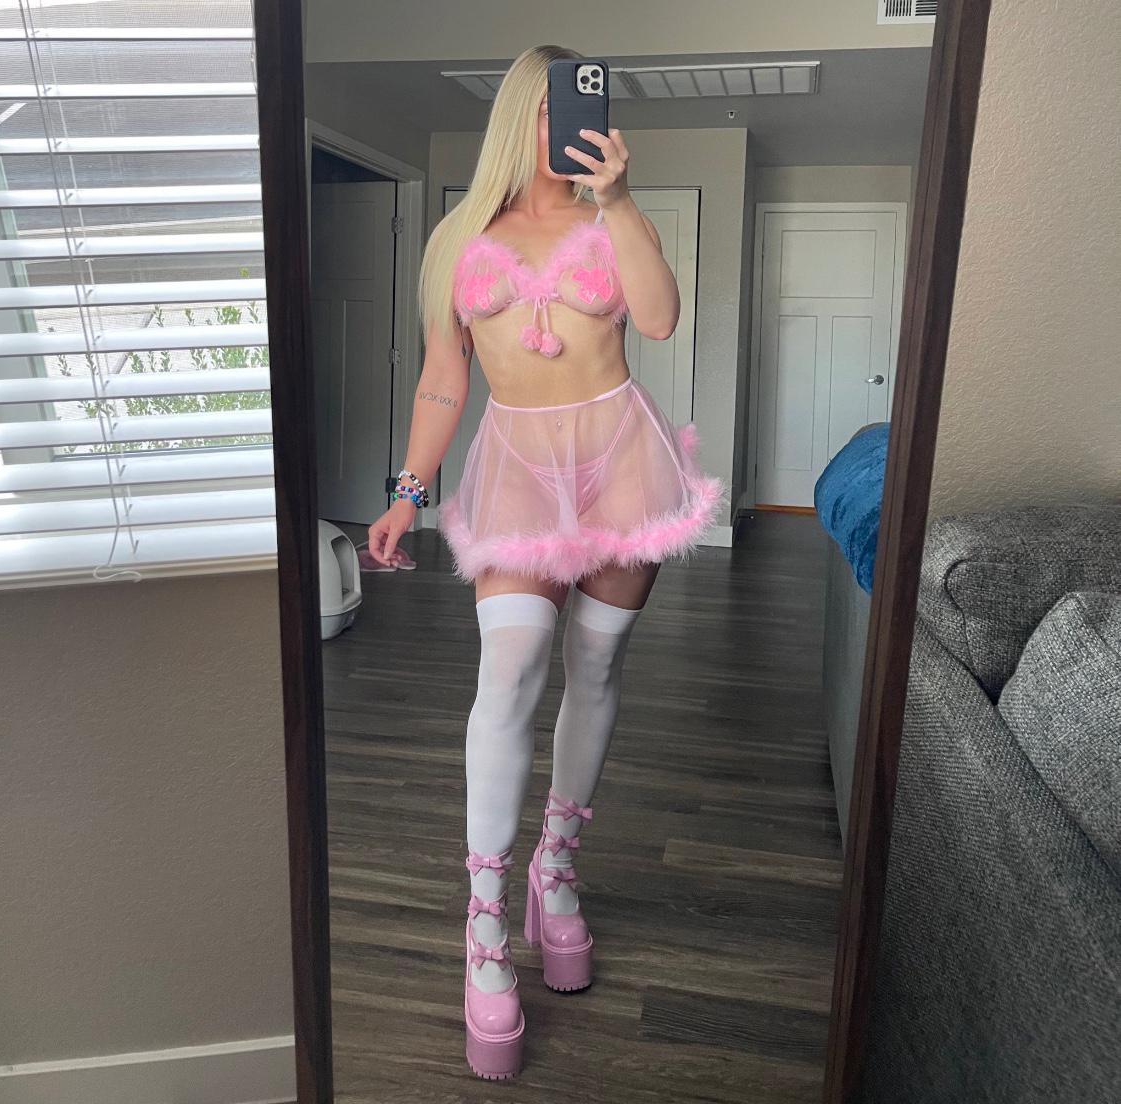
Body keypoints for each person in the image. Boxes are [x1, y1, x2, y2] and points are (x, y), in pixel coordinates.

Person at [365, 44, 726, 1080]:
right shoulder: (456, 238)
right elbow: (444, 377)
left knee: (597, 667)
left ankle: (555, 869)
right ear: (522, 115)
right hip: (518, 465)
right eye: (554, 111)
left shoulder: (616, 218)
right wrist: (406, 491)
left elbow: (658, 319)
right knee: (512, 665)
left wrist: (621, 200)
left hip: (620, 462)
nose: (573, 127)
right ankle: (485, 920)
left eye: (587, 110)